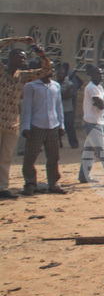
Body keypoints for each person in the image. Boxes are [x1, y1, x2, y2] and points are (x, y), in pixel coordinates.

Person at [0, 38, 51, 199]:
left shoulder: (22, 76)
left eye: (24, 58)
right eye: (19, 57)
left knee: (6, 158)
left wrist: (42, 54)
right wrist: (19, 40)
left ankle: (2, 188)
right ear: (10, 58)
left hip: (12, 123)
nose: (22, 60)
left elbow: (45, 71)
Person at [21, 68, 66, 195]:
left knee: (53, 157)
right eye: (48, 67)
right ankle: (30, 184)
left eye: (53, 68)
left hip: (53, 125)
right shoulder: (31, 86)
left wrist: (61, 125)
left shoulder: (55, 86)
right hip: (36, 125)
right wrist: (26, 127)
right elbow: (27, 108)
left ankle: (53, 183)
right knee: (30, 156)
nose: (51, 70)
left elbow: (59, 106)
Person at [56, 63, 80, 149]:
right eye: (58, 73)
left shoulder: (69, 84)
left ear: (65, 75)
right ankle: (58, 143)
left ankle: (73, 143)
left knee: (69, 125)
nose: (59, 75)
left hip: (67, 109)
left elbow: (68, 95)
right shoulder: (54, 84)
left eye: (62, 73)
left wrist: (58, 95)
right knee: (56, 127)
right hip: (57, 109)